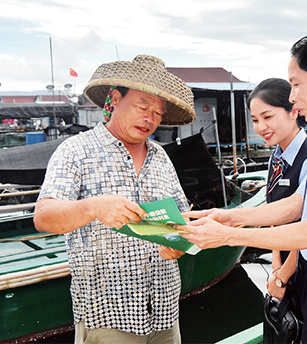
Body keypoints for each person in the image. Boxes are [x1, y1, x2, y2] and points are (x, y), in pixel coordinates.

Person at [181, 32, 307, 343]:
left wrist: (227, 236)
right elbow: (298, 202)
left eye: (296, 83)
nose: (292, 96)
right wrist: (229, 217)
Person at [33, 55, 196, 344]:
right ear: (115, 99)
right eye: (143, 106)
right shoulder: (75, 150)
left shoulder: (161, 156)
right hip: (107, 316)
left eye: (158, 113)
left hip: (165, 311)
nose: (150, 118)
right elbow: (43, 216)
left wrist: (180, 245)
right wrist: (93, 207)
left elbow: (180, 217)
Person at [247, 78, 307, 300]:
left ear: (293, 112)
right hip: (284, 266)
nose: (260, 127)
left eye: (268, 117)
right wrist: (276, 263)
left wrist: (281, 278)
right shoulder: (276, 157)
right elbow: (275, 209)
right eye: (255, 120)